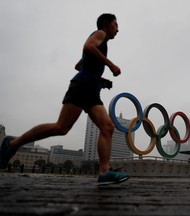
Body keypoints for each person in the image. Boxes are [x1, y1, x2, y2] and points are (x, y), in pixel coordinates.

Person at [0, 13, 129, 185]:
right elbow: (88, 47)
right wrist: (110, 64)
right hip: (81, 87)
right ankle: (14, 143)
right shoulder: (100, 34)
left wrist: (99, 79)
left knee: (107, 127)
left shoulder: (101, 43)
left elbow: (79, 65)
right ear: (106, 24)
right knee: (61, 127)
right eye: (115, 25)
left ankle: (104, 172)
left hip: (91, 90)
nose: (117, 29)